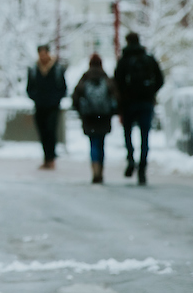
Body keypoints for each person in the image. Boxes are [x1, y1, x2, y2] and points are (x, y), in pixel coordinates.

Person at [113, 31, 164, 185]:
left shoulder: (124, 61)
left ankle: (130, 158)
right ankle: (142, 168)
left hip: (128, 103)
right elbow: (160, 79)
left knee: (128, 133)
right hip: (146, 103)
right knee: (145, 136)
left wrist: (123, 99)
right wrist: (150, 92)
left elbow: (117, 82)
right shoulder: (148, 59)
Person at [71, 53, 119, 184]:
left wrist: (81, 110)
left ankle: (95, 170)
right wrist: (112, 111)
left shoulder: (85, 78)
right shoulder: (106, 78)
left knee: (93, 143)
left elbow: (75, 97)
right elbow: (115, 96)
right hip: (103, 116)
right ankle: (101, 171)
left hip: (89, 116)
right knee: (102, 143)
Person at [26, 44, 66, 169]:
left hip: (53, 107)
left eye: (44, 54)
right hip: (40, 106)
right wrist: (36, 97)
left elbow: (63, 88)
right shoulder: (34, 69)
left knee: (51, 131)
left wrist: (55, 99)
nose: (43, 57)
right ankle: (46, 158)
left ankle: (51, 158)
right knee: (42, 132)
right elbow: (29, 88)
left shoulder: (57, 68)